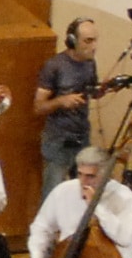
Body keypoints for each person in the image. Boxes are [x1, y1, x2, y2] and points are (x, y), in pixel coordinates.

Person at [31, 18, 100, 203]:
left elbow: (92, 92)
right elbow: (38, 107)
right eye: (88, 41)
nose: (94, 46)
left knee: (84, 191)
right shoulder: (54, 66)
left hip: (82, 135)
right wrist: (61, 101)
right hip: (58, 139)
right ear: (72, 40)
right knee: (53, 193)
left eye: (95, 40)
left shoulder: (90, 63)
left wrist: (106, 88)